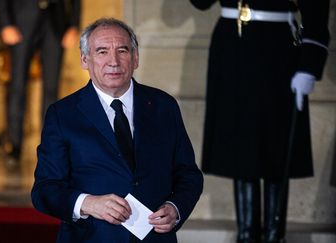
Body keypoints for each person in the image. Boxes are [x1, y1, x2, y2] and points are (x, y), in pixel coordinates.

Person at [31, 18, 203, 242]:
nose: (114, 61)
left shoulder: (163, 106)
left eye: (122, 51)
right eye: (102, 51)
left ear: (135, 58)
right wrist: (87, 203)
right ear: (85, 59)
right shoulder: (62, 115)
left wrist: (175, 208)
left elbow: (188, 175)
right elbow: (44, 190)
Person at [188, 0, 330, 243]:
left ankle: (275, 235)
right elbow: (201, 3)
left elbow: (316, 11)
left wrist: (309, 65)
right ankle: (246, 235)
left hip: (277, 48)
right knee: (240, 145)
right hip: (232, 46)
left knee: (277, 143)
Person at [0, 0, 81, 159]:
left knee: (51, 88)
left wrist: (74, 24)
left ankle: (50, 144)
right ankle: (14, 144)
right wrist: (5, 23)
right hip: (21, 20)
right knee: (18, 85)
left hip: (55, 20)